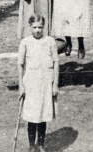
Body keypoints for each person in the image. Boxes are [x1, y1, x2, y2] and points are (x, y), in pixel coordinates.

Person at [18, 14, 61, 152]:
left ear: (44, 27)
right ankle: (32, 146)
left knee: (43, 114)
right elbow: (20, 64)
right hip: (31, 83)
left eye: (40, 27)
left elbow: (56, 62)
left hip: (46, 82)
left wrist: (55, 84)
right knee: (32, 115)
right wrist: (21, 85)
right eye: (35, 27)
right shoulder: (25, 42)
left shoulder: (50, 42)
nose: (37, 30)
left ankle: (41, 145)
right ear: (30, 26)